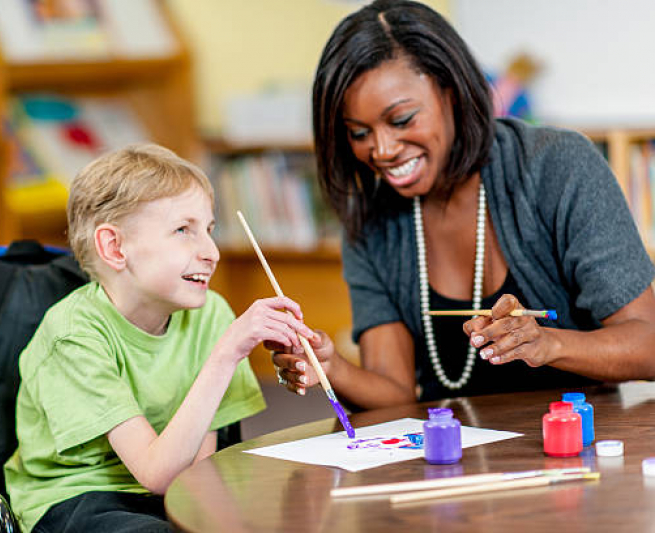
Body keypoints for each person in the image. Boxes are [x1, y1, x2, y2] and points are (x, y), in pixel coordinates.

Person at [271, 0, 655, 407]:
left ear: (451, 92)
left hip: (576, 449)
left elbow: (648, 344)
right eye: (359, 132)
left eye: (401, 120)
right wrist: (331, 367)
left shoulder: (557, 166)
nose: (381, 150)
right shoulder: (371, 218)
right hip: (449, 457)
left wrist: (548, 344)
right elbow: (394, 391)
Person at [3, 144, 317, 533]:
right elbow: (158, 475)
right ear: (114, 247)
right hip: (79, 497)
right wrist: (226, 355)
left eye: (209, 229)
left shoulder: (211, 314)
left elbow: (195, 475)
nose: (212, 252)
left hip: (171, 487)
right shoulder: (73, 334)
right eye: (184, 230)